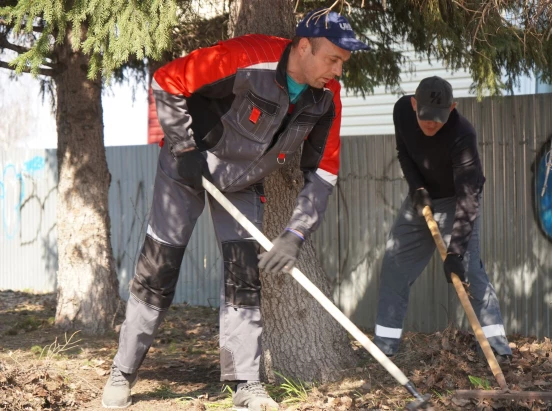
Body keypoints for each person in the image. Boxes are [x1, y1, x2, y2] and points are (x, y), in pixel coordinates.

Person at [101, 8, 369, 410]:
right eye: (333, 58)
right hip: (186, 170)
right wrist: (185, 148)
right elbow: (169, 79)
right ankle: (122, 372)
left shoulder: (327, 97)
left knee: (244, 278)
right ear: (303, 46)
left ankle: (246, 384)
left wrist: (296, 233)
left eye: (342, 63)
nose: (338, 70)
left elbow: (325, 172)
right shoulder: (248, 57)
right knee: (158, 269)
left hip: (242, 183)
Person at [373, 76, 513, 363]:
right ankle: (385, 350)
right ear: (414, 104)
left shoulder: (462, 134)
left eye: (439, 117)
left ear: (453, 107)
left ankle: (497, 350)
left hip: (456, 202)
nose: (432, 124)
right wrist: (417, 188)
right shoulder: (402, 111)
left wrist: (456, 252)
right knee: (394, 265)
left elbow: (468, 197)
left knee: (470, 273)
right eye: (426, 116)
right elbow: (405, 154)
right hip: (422, 200)